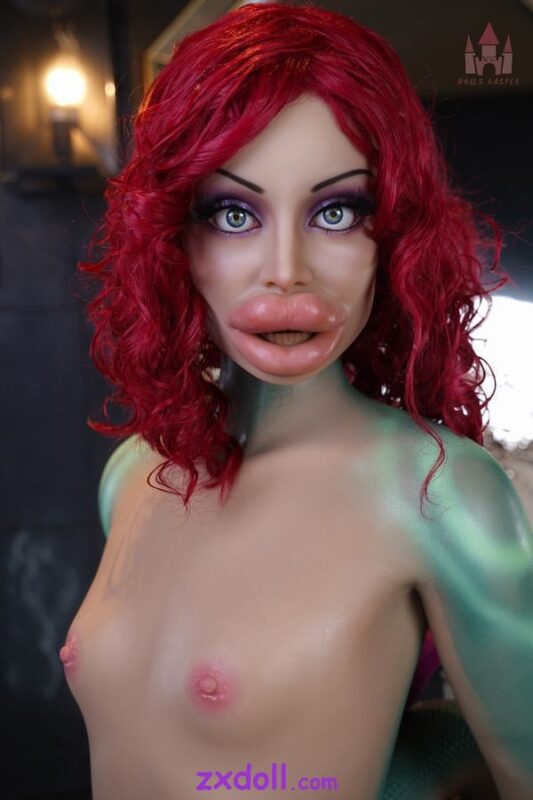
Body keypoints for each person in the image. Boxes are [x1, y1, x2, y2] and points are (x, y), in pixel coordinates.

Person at [62, 3, 533, 798]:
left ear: (394, 235)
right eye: (233, 213)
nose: (286, 269)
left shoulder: (436, 492)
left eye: (336, 212)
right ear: (172, 236)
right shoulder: (135, 473)